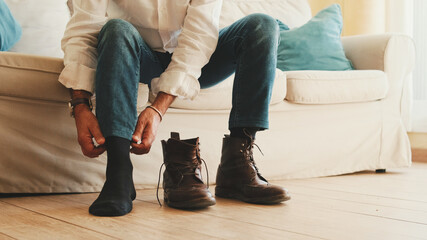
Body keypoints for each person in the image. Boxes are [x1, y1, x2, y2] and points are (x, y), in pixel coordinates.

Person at [60, 0, 291, 217]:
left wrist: (159, 107)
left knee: (262, 26)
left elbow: (198, 39)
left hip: (195, 59)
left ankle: (237, 167)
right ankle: (118, 174)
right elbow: (83, 31)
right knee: (116, 29)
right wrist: (80, 105)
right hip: (135, 54)